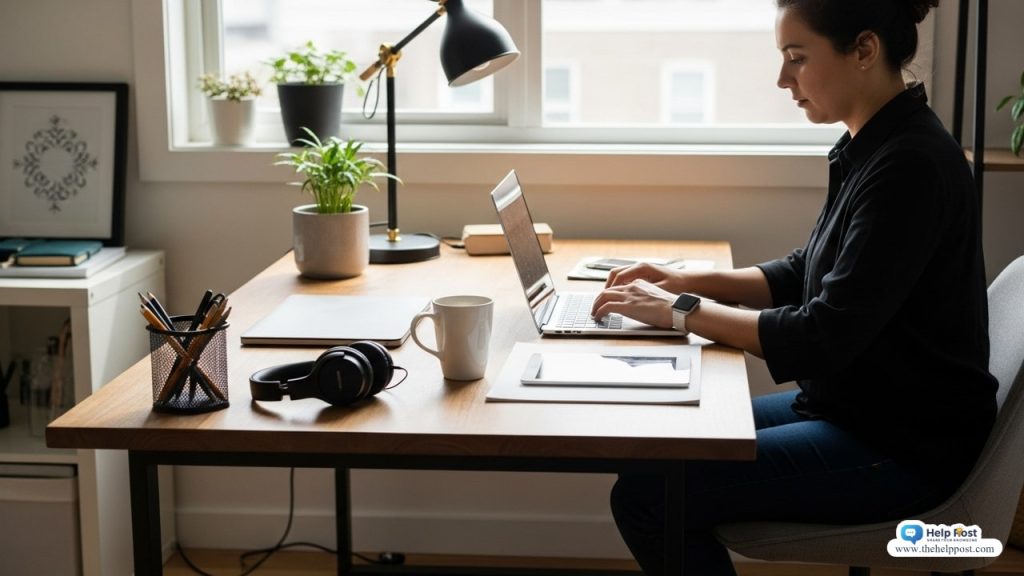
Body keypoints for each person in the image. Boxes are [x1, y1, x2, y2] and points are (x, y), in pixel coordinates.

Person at [590, 0, 998, 574]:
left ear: (863, 50)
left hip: (901, 448)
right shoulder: (875, 144)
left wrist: (679, 310)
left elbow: (820, 335)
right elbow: (808, 269)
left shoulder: (910, 166)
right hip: (856, 411)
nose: (783, 79)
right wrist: (683, 280)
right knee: (664, 444)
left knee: (648, 495)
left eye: (797, 58)